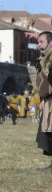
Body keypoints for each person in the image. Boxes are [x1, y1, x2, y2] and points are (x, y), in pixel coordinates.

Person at [35, 31, 52, 171]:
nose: (39, 45)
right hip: (48, 100)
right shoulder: (44, 59)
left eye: (41, 41)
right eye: (38, 42)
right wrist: (42, 98)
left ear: (50, 42)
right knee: (49, 133)